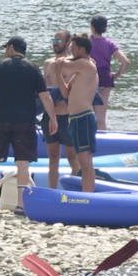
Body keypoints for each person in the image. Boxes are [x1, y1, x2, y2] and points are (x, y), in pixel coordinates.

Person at [0, 36, 55, 212]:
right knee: (23, 163)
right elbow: (44, 96)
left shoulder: (1, 66)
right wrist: (53, 118)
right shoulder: (32, 68)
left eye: (6, 48)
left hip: (0, 118)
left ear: (11, 47)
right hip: (25, 121)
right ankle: (20, 204)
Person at [58, 34, 100, 192]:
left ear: (82, 49)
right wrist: (57, 73)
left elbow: (63, 65)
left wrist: (57, 63)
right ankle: (85, 192)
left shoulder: (86, 64)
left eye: (73, 48)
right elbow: (65, 93)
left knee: (85, 162)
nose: (71, 52)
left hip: (84, 118)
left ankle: (88, 195)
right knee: (79, 159)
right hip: (74, 118)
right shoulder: (79, 70)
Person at [40, 30, 77, 188]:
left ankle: (76, 190)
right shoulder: (48, 63)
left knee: (72, 158)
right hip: (50, 116)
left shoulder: (74, 63)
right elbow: (43, 89)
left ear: (68, 42)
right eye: (54, 39)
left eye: (59, 40)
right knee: (53, 158)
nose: (55, 42)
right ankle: (52, 190)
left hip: (67, 116)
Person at [88, 15, 130, 130]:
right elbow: (125, 62)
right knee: (101, 119)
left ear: (92, 27)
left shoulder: (86, 42)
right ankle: (103, 141)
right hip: (106, 79)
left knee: (88, 116)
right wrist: (116, 75)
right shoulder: (109, 44)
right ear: (105, 28)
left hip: (89, 79)